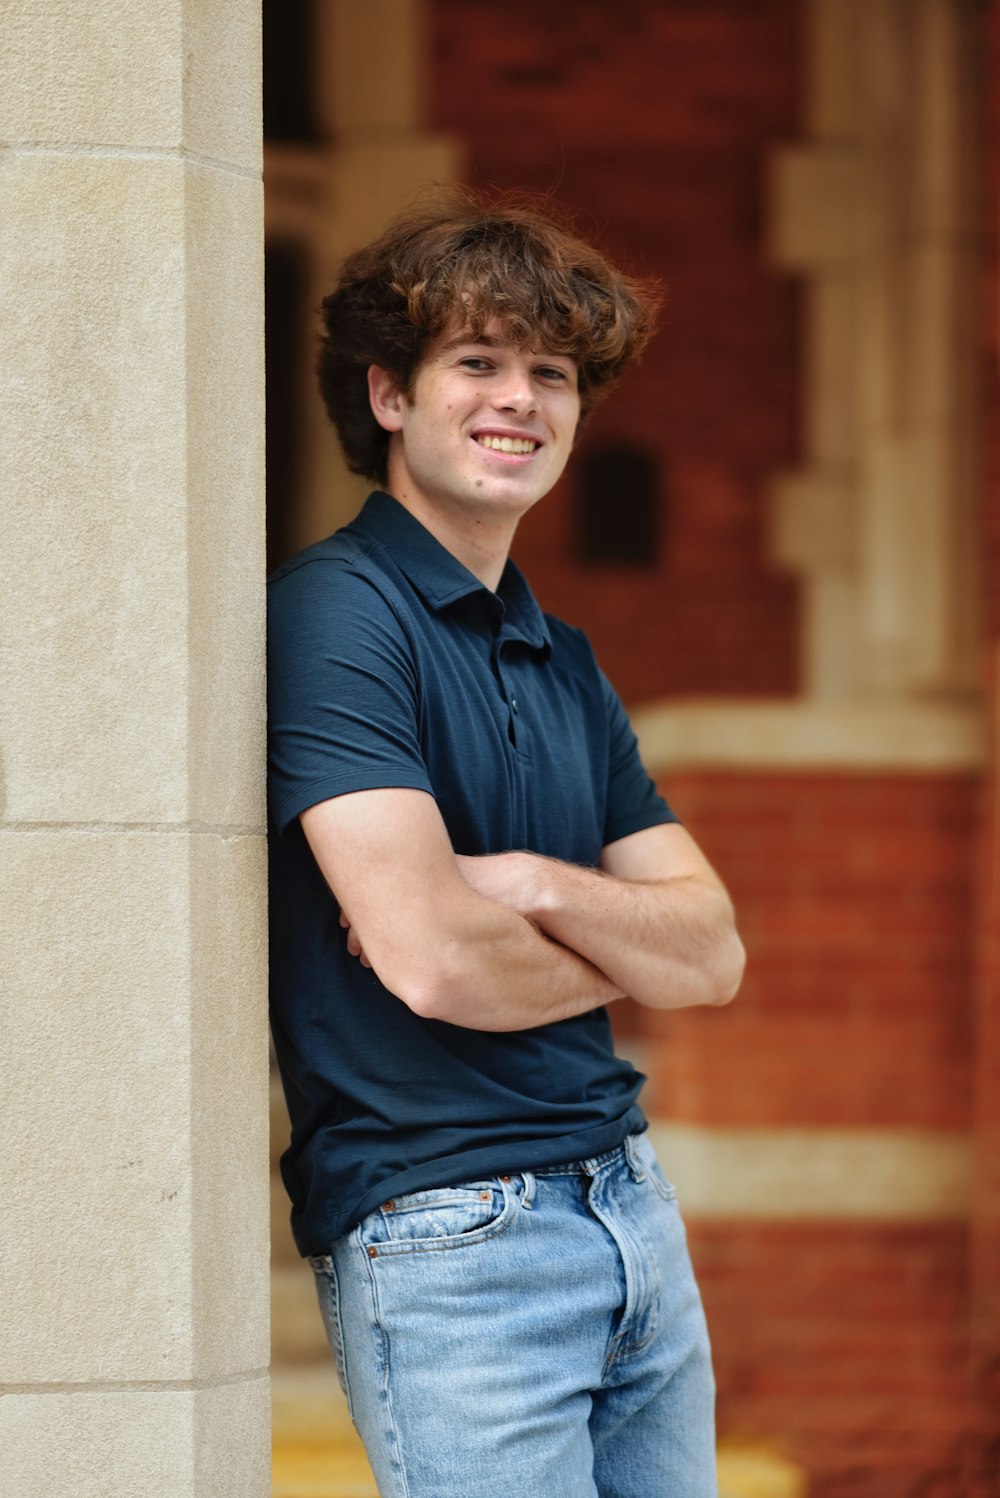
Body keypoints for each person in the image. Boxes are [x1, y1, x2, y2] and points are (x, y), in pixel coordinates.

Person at [267, 194, 745, 1498]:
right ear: (387, 395)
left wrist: (532, 885)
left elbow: (716, 952)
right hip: (448, 1237)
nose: (517, 400)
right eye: (476, 362)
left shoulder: (561, 655)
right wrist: (624, 947)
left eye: (551, 372)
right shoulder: (335, 617)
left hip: (629, 1206)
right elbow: (434, 962)